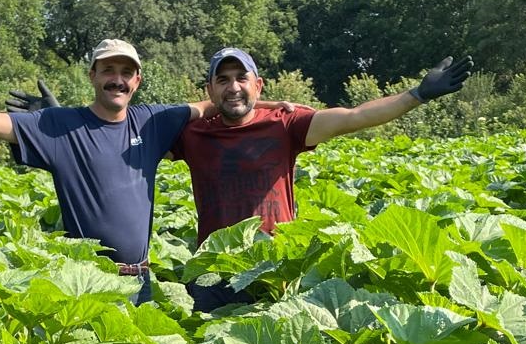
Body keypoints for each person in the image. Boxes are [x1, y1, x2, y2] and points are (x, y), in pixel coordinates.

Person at [0, 4, 196, 304]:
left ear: (137, 80)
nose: (118, 79)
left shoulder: (151, 122)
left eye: (126, 72)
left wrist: (249, 101)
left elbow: (208, 106)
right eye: (108, 70)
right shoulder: (60, 126)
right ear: (92, 75)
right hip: (89, 283)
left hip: (141, 281)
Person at [172, 47, 474, 308]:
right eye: (222, 80)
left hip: (275, 269)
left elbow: (355, 116)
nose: (233, 87)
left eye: (241, 78)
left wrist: (417, 95)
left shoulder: (284, 125)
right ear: (209, 90)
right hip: (213, 272)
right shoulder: (192, 133)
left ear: (259, 85)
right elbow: (139, 129)